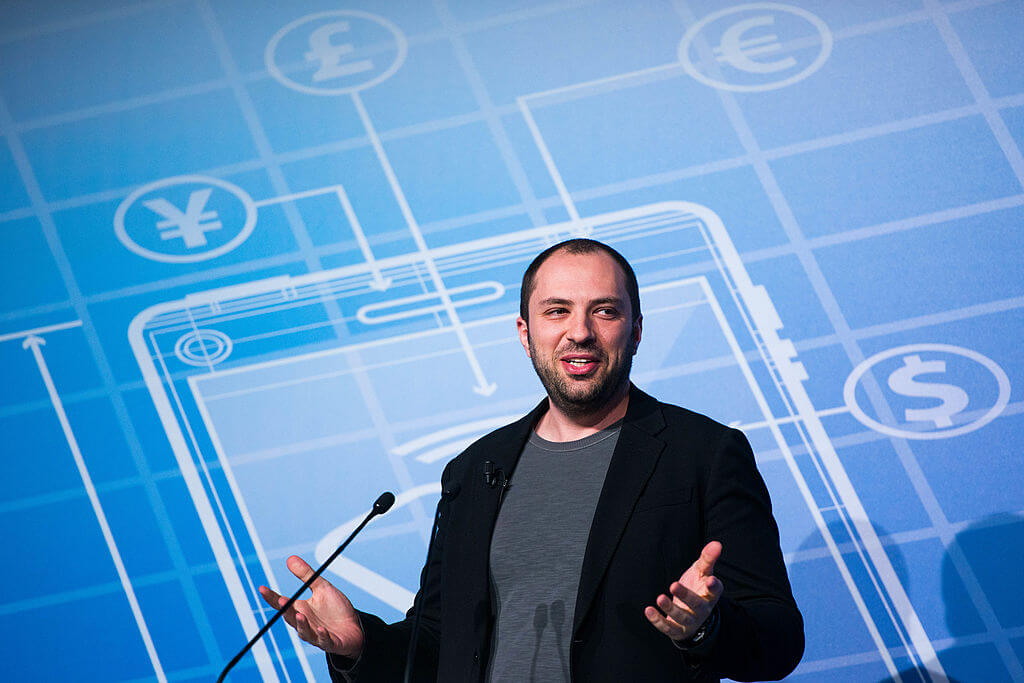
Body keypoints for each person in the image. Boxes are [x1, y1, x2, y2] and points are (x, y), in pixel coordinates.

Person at [260, 239, 804, 682]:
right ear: (526, 334)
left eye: (605, 311)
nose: (580, 331)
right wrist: (360, 645)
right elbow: (437, 646)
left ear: (636, 330)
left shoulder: (704, 454)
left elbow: (777, 640)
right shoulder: (474, 470)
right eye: (556, 311)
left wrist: (703, 629)